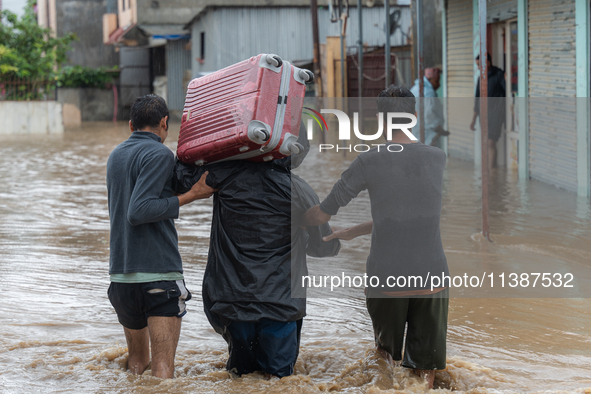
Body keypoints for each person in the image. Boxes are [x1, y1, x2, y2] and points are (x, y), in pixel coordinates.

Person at [304, 85, 449, 389]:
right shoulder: (437, 158)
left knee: (385, 360)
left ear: (381, 120)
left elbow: (323, 213)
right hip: (432, 278)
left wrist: (294, 219)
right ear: (414, 116)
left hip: (389, 276)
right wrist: (354, 231)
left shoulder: (369, 160)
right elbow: (415, 216)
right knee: (425, 370)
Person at [173, 127, 340, 378]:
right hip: (280, 307)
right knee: (278, 381)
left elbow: (179, 176)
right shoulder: (298, 191)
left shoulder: (225, 177)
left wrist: (222, 149)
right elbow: (325, 245)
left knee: (240, 377)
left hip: (231, 303)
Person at [106, 94, 216, 378]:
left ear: (131, 125)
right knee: (163, 368)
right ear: (165, 122)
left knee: (136, 364)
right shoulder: (159, 154)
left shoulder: (116, 155)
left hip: (121, 278)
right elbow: (138, 210)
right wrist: (192, 194)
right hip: (158, 274)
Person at [469, 53, 506, 168]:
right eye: (477, 65)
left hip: (496, 114)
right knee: (486, 143)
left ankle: (492, 171)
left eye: (480, 64)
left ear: (488, 62)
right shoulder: (481, 79)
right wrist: (474, 119)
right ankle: (490, 171)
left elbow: (507, 93)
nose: (479, 67)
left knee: (490, 142)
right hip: (484, 116)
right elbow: (477, 100)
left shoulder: (499, 75)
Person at [409, 67, 449, 147]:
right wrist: (438, 128)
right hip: (428, 133)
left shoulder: (415, 89)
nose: (439, 84)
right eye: (436, 81)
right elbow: (428, 114)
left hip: (415, 130)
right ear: (430, 80)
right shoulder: (429, 92)